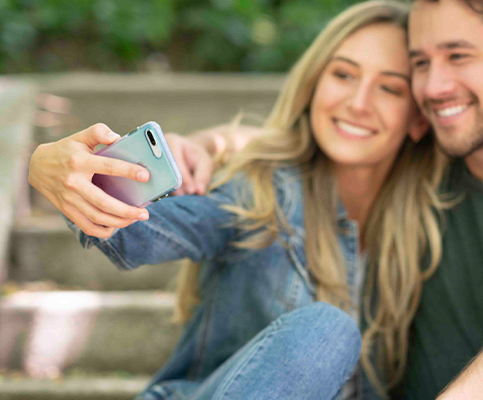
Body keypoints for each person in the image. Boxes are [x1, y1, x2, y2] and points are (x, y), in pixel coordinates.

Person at [28, 1, 450, 399]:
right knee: (326, 330)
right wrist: (77, 179)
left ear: (417, 118)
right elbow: (136, 234)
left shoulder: (423, 237)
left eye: (390, 89)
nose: (358, 103)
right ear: (313, 87)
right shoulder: (263, 190)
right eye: (343, 75)